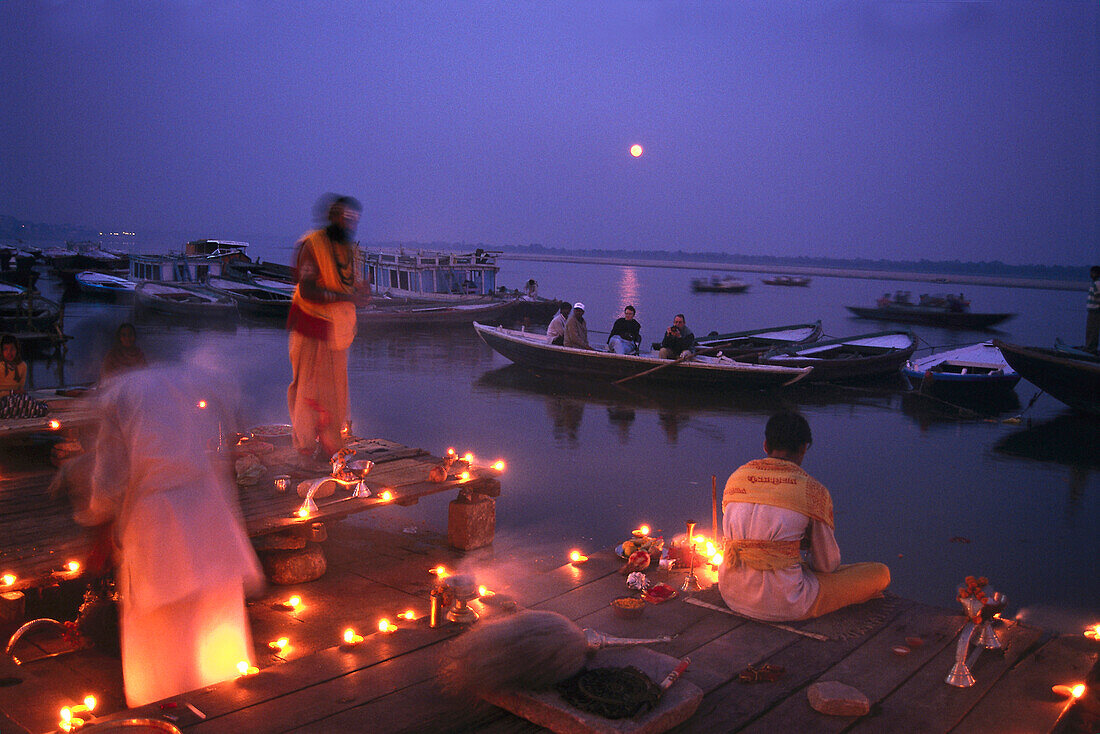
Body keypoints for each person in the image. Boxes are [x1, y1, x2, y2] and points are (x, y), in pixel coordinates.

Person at [65, 364, 263, 707]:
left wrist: (99, 531)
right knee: (215, 630)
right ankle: (227, 713)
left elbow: (109, 478)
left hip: (157, 524)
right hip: (207, 512)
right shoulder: (185, 382)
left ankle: (164, 713)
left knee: (162, 644)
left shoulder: (117, 397)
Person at [717, 412, 890, 622]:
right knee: (879, 572)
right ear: (803, 449)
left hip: (731, 593)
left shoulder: (736, 478)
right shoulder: (811, 490)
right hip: (785, 603)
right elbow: (826, 566)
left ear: (765, 446)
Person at [286, 194, 368, 462]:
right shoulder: (312, 245)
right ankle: (306, 448)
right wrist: (348, 297)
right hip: (310, 326)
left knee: (335, 393)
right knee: (308, 391)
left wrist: (360, 292)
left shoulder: (351, 250)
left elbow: (349, 286)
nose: (348, 223)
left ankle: (332, 446)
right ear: (331, 217)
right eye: (343, 217)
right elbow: (308, 290)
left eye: (352, 218)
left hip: (338, 331)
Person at [1085, 266, 1100, 353]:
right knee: (1090, 330)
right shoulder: (1095, 283)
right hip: (1092, 310)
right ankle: (1089, 347)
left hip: (1096, 310)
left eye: (1092, 273)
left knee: (1093, 330)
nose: (1091, 275)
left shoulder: (1098, 284)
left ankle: (1091, 348)